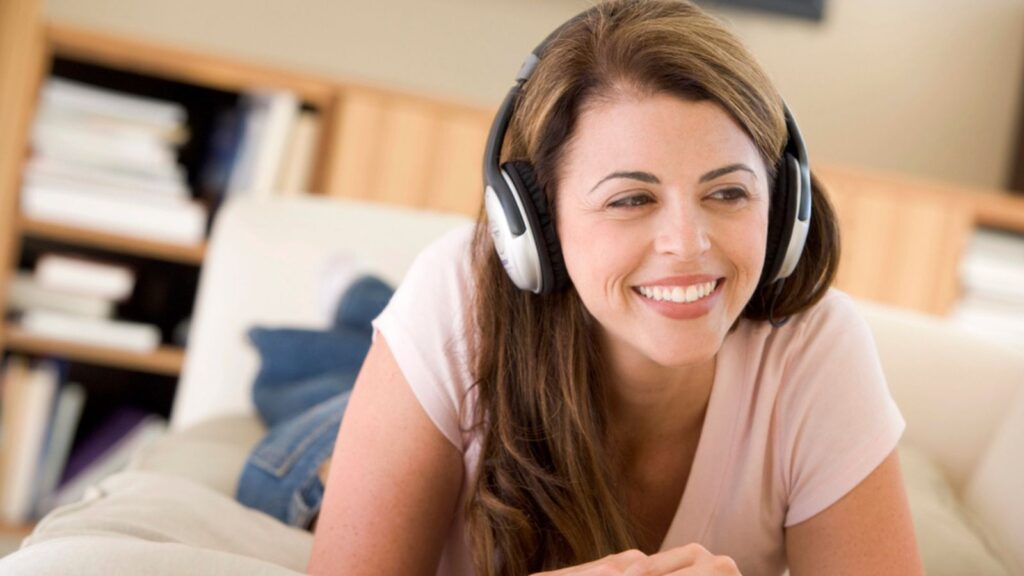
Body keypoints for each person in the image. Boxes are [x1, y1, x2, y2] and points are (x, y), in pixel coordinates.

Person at [307, 1, 923, 574]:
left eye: (728, 192)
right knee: (317, 379)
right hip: (313, 448)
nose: (688, 244)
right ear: (538, 225)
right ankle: (356, 300)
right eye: (631, 199)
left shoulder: (816, 347)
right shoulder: (455, 299)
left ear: (784, 208)